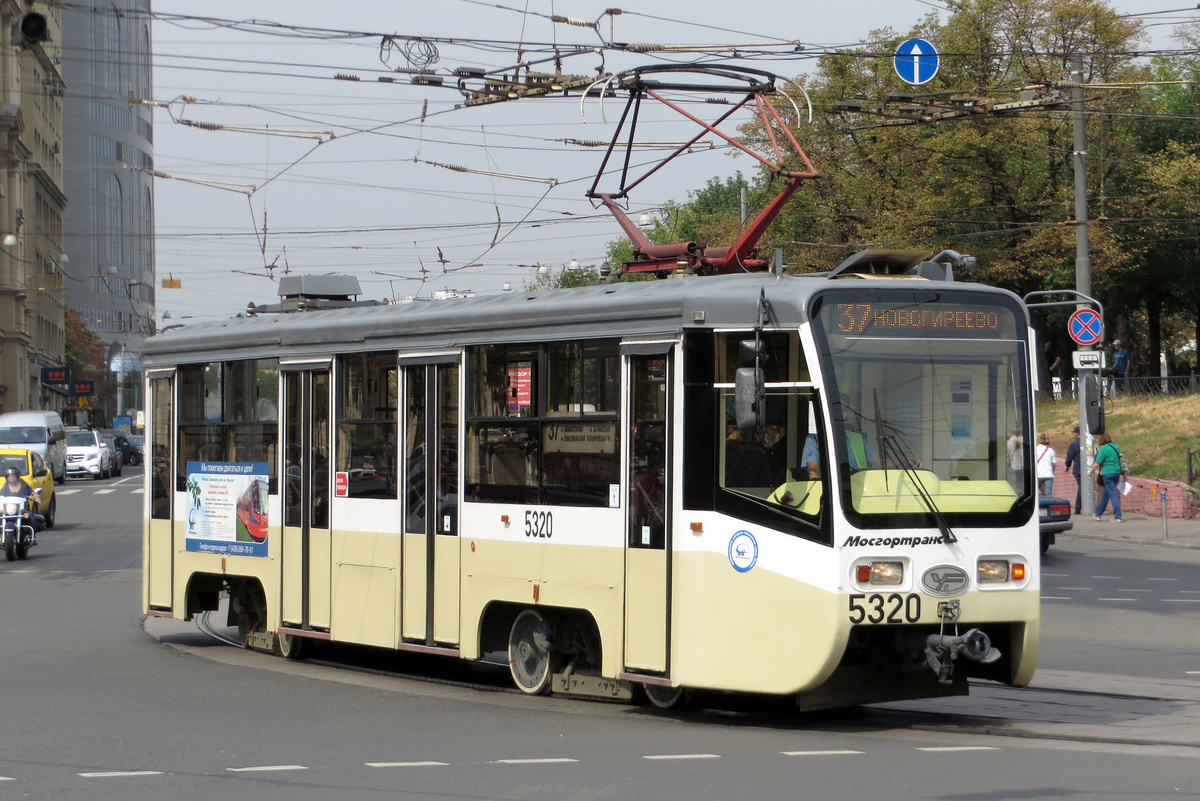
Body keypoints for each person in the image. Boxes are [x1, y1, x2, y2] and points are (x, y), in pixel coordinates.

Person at [802, 393, 879, 480]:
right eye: (837, 409)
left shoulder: (858, 438)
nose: (841, 412)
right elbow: (812, 470)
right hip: (832, 488)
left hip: (858, 487)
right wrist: (816, 481)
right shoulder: (814, 438)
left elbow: (879, 462)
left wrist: (897, 464)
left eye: (845, 409)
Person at [1089, 432, 1124, 523]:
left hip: (1108, 473)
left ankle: (1118, 516)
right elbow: (1121, 460)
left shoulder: (1103, 449)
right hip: (1117, 472)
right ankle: (1098, 514)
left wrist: (1091, 471)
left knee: (1112, 494)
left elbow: (1097, 463)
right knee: (1107, 493)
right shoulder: (1115, 447)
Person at [2, 467, 38, 532]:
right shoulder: (6, 486)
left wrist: (35, 495)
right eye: (9, 476)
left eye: (13, 476)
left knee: (30, 516)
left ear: (17, 476)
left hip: (23, 510)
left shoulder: (23, 484)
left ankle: (33, 536)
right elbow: (1, 495)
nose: (11, 478)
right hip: (9, 510)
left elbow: (31, 492)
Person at [1063, 425, 1082, 514]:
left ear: (1076, 434)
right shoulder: (1087, 443)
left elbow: (1069, 456)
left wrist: (1067, 466)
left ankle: (1078, 507)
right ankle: (1079, 507)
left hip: (1078, 469)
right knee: (1082, 488)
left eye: (1074, 433)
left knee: (1081, 488)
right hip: (1088, 470)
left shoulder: (1074, 444)